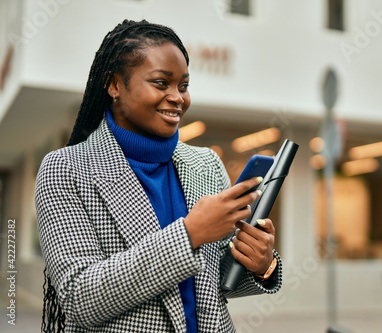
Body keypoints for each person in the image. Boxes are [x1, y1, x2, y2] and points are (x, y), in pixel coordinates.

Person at [35, 19, 282, 332]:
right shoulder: (65, 169)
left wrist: (261, 264)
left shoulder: (205, 164)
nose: (178, 97)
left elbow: (215, 283)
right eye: (161, 83)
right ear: (114, 85)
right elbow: (78, 298)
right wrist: (190, 233)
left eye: (183, 86)